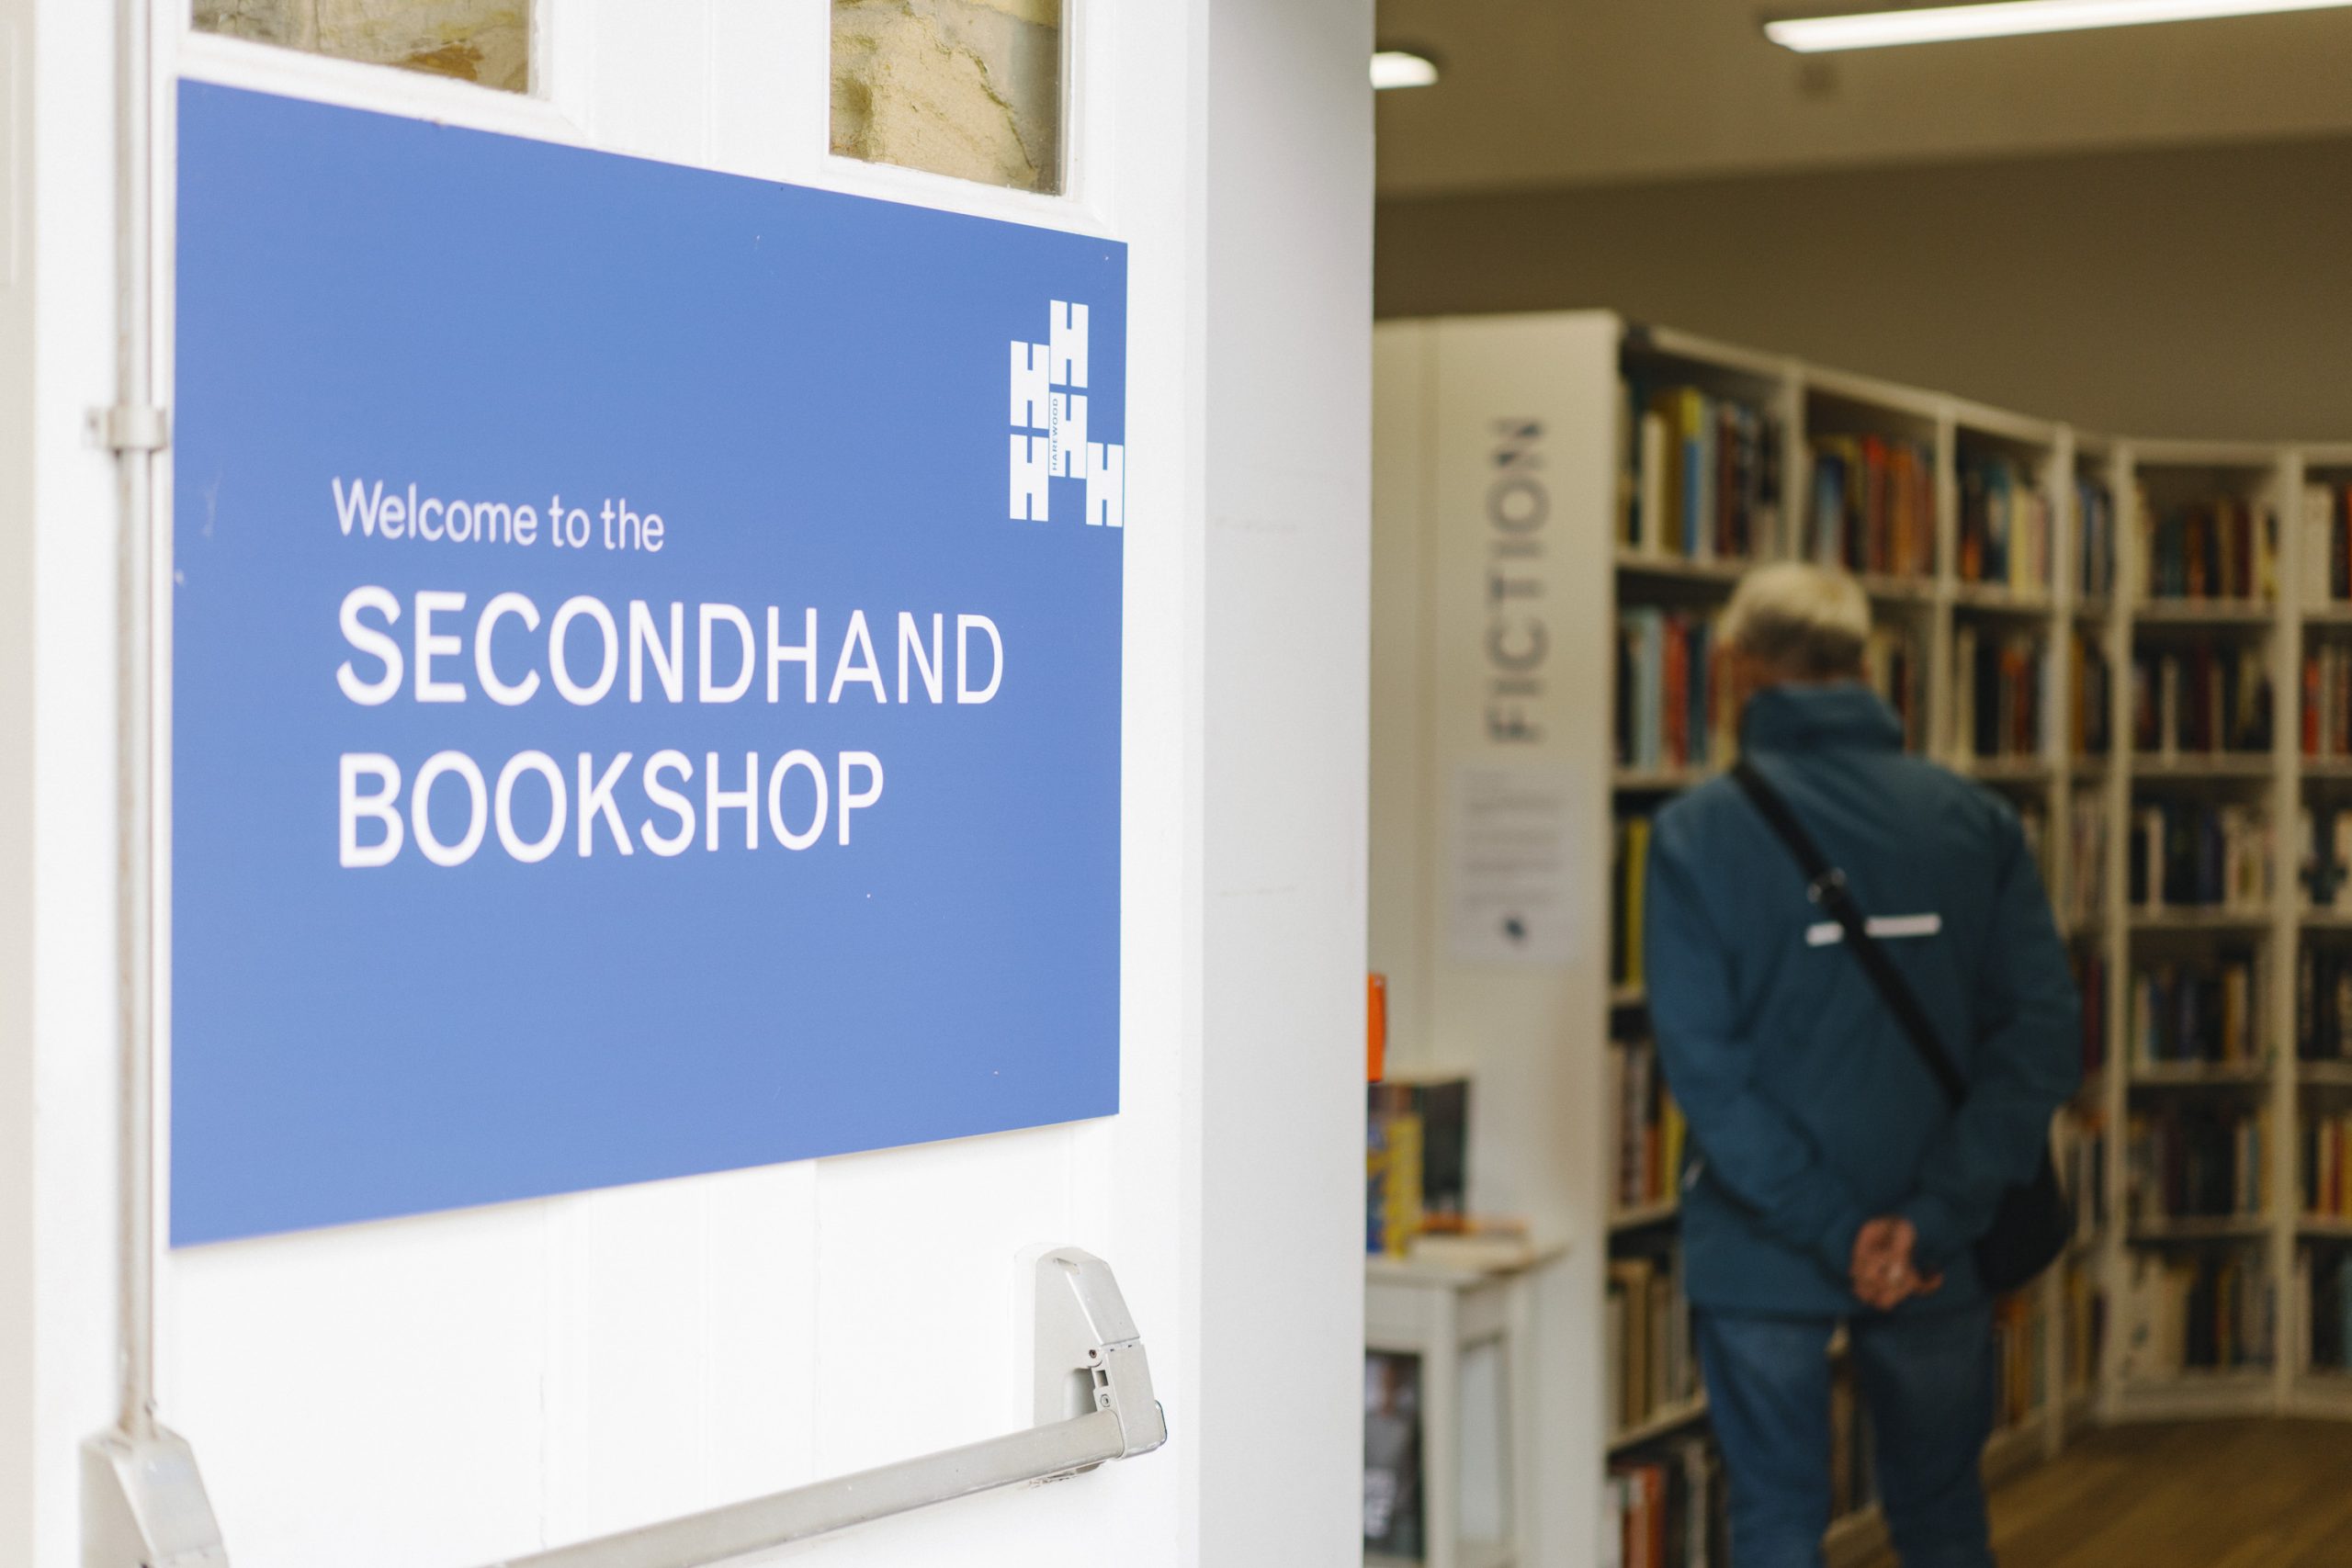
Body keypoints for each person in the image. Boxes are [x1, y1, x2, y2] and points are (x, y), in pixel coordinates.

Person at [1643, 562, 2080, 1568]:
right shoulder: (1973, 822)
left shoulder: (1694, 838)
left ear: (1737, 667)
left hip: (1762, 1249)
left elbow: (1703, 1071)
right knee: (1936, 1509)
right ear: (1864, 666)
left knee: (1775, 1521)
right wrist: (1928, 1219)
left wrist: (1836, 1231)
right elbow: (2041, 1037)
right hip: (1939, 1248)